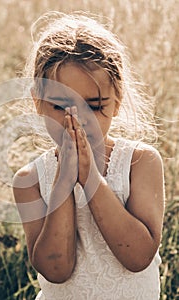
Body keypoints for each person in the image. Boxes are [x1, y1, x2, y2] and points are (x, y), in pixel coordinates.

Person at [12, 11, 165, 299]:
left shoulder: (139, 163)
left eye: (94, 106)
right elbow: (55, 269)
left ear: (117, 101)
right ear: (38, 103)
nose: (79, 121)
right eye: (60, 107)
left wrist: (91, 179)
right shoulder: (30, 180)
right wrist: (64, 183)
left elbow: (139, 256)